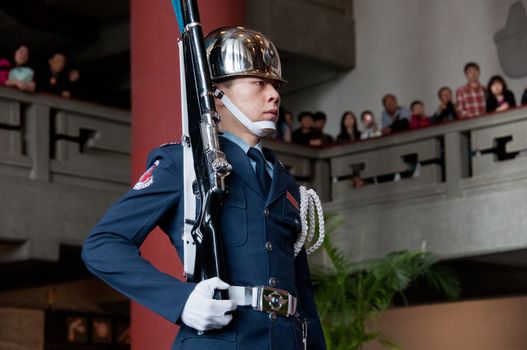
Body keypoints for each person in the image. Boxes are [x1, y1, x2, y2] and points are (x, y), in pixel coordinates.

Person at [82, 26, 326, 350]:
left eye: (275, 84)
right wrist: (180, 301)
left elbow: (302, 296)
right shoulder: (182, 165)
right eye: (259, 82)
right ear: (216, 95)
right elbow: (102, 244)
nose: (274, 94)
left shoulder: (287, 186)